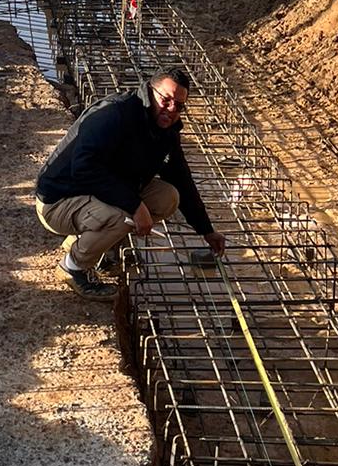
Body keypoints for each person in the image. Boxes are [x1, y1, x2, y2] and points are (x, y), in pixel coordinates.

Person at [35, 66, 225, 299]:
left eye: (179, 105)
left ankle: (90, 239)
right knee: (120, 216)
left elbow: (180, 178)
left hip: (96, 194)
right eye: (166, 99)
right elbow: (84, 169)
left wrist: (206, 230)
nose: (172, 108)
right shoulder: (116, 114)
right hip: (60, 199)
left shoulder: (166, 129)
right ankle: (72, 267)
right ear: (150, 90)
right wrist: (135, 206)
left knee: (168, 197)